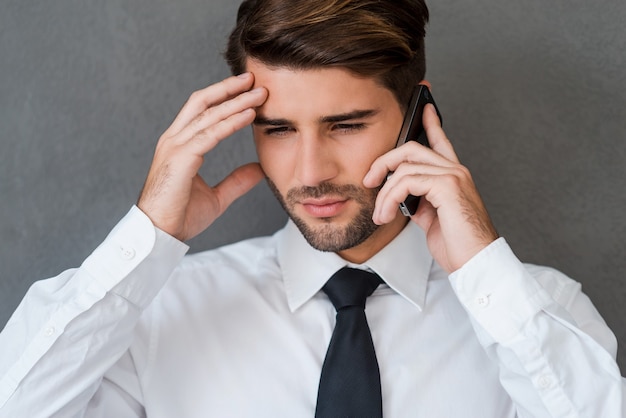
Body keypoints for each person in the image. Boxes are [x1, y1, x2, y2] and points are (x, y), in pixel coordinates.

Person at [0, 0, 624, 416]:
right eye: (276, 130)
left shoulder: (539, 315)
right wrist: (147, 237)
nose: (309, 173)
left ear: (418, 116)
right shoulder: (153, 318)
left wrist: (485, 270)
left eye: (346, 125)